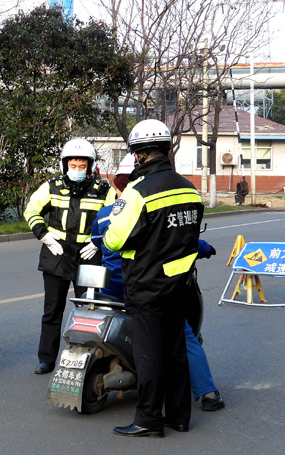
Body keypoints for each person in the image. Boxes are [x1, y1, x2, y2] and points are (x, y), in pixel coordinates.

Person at [86, 155, 225, 413]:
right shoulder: (153, 206)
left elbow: (99, 242)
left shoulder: (104, 215)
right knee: (183, 335)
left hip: (110, 290)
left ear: (117, 184)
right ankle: (207, 393)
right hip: (148, 288)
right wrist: (204, 247)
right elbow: (178, 243)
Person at [102, 119, 204, 438]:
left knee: (149, 354)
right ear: (166, 150)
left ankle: (148, 419)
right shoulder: (188, 188)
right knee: (175, 350)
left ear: (138, 154)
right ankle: (179, 417)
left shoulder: (138, 192)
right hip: (181, 283)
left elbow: (115, 239)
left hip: (148, 284)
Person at [24, 138, 110, 375]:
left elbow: (115, 218)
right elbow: (31, 210)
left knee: (89, 311)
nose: (77, 170)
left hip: (88, 254)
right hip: (57, 253)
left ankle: (87, 359)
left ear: (90, 166)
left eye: (82, 166)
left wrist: (98, 241)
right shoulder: (51, 187)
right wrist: (44, 236)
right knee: (52, 310)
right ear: (65, 165)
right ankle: (46, 359)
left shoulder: (103, 190)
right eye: (73, 165)